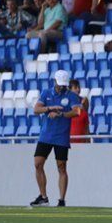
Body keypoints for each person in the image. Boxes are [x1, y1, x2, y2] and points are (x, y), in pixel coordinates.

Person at [29, 70, 83, 208]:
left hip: (61, 136)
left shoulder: (71, 95)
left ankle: (61, 199)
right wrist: (49, 108)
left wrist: (61, 114)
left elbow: (77, 111)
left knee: (62, 167)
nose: (61, 87)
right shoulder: (46, 93)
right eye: (59, 85)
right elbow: (36, 109)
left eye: (64, 85)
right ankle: (43, 196)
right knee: (38, 164)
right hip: (46, 135)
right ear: (54, 82)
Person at [68, 79, 90, 144]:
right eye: (75, 88)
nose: (78, 89)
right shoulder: (66, 102)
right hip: (70, 138)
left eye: (79, 87)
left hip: (82, 135)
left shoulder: (84, 100)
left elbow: (86, 120)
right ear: (70, 90)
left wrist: (88, 140)